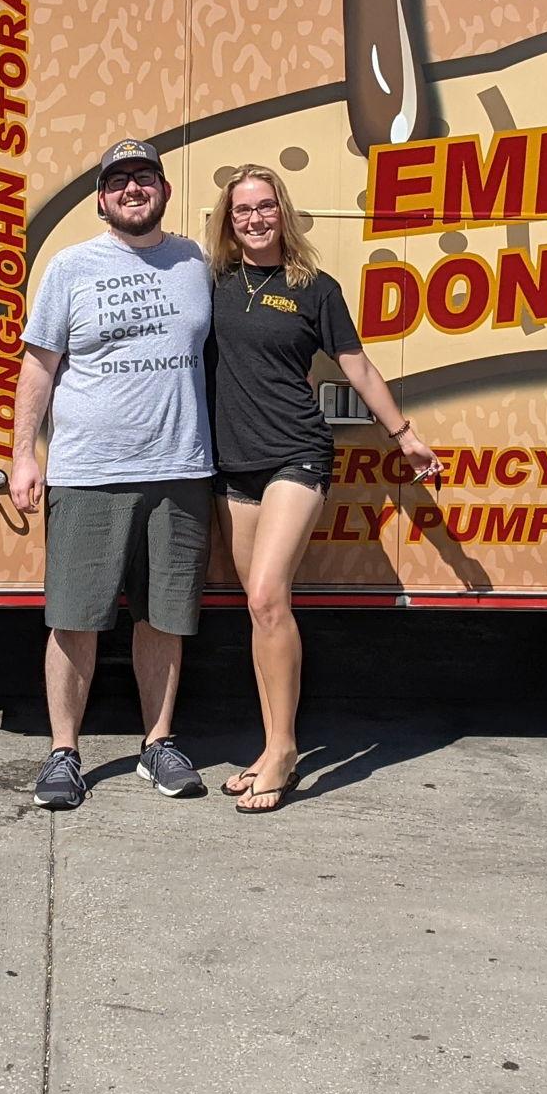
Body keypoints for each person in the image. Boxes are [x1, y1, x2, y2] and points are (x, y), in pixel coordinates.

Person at [207, 163, 440, 812]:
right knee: (259, 609)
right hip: (233, 465)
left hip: (296, 457)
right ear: (229, 221)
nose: (253, 218)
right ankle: (270, 743)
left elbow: (358, 365)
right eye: (241, 210)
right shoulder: (214, 284)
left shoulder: (315, 288)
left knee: (265, 596)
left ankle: (283, 750)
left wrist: (404, 435)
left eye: (263, 207)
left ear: (282, 212)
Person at [10, 139, 214, 810]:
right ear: (101, 198)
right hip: (89, 471)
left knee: (164, 616)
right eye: (118, 180)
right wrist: (23, 454)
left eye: (144, 178)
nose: (132, 189)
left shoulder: (195, 263)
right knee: (75, 619)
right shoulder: (71, 268)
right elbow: (38, 366)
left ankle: (158, 744)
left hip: (180, 468)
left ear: (164, 190)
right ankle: (63, 753)